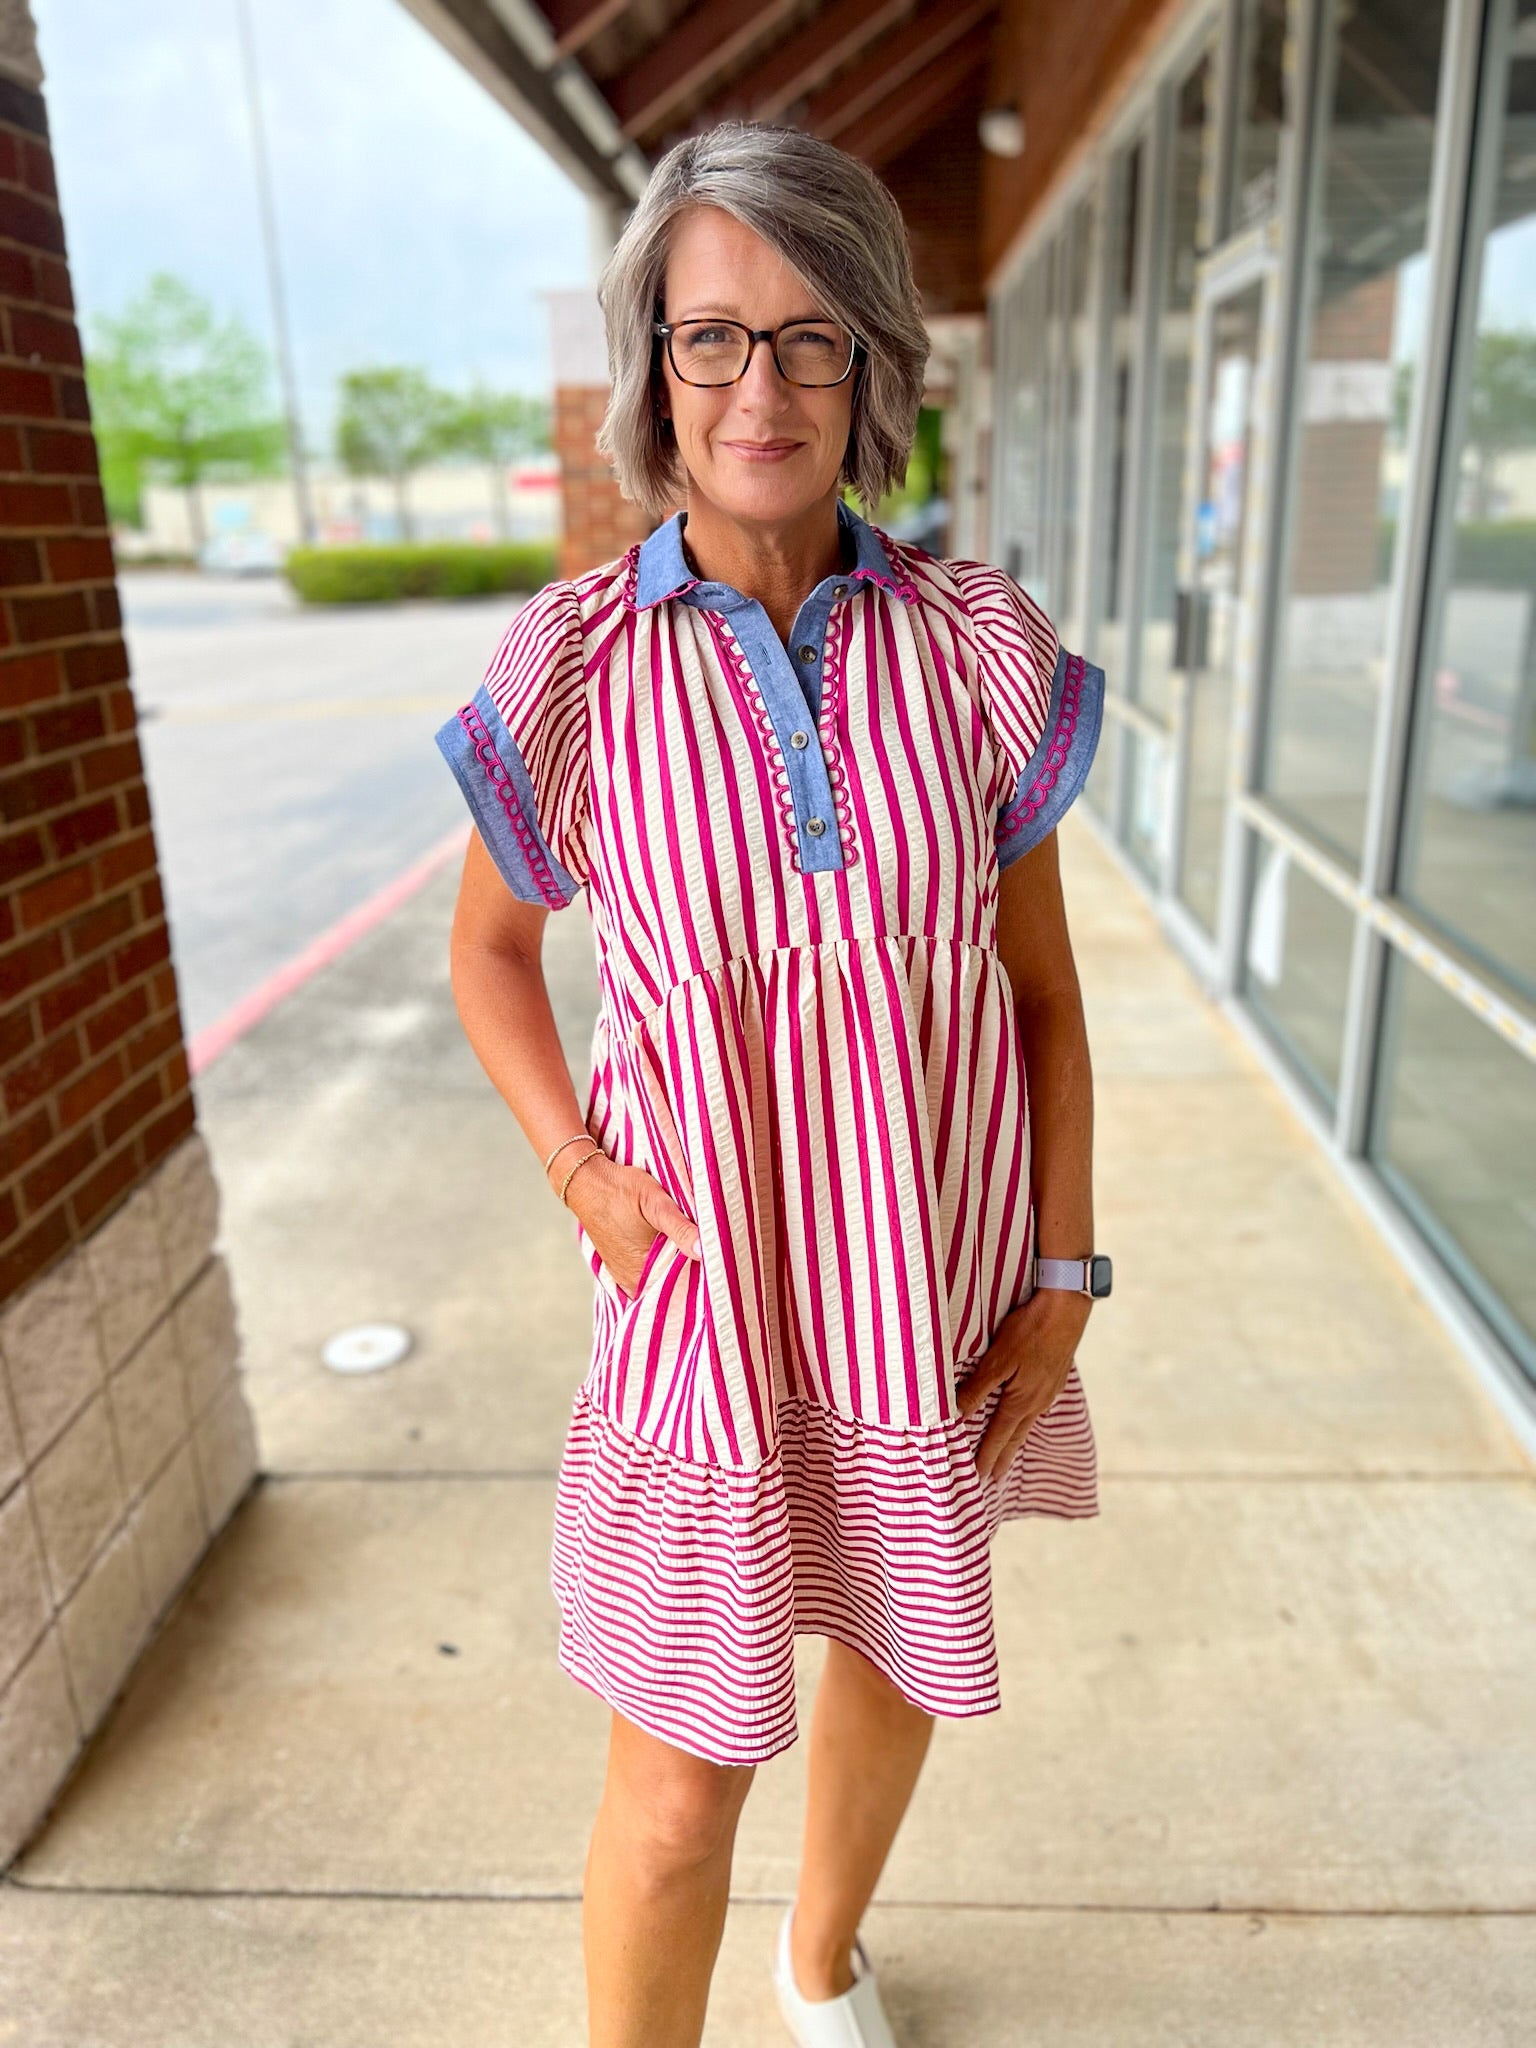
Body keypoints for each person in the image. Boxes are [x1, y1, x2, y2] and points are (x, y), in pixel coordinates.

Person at [433, 121, 1110, 2048]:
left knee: (892, 1667)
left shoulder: (976, 650)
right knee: (670, 1795)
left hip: (940, 1299)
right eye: (714, 336)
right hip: (701, 1312)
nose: (762, 384)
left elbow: (1043, 995)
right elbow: (490, 954)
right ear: (654, 363)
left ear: (875, 367)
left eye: (814, 337)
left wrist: (1061, 1285)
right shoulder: (572, 669)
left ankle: (822, 1966)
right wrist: (585, 1175)